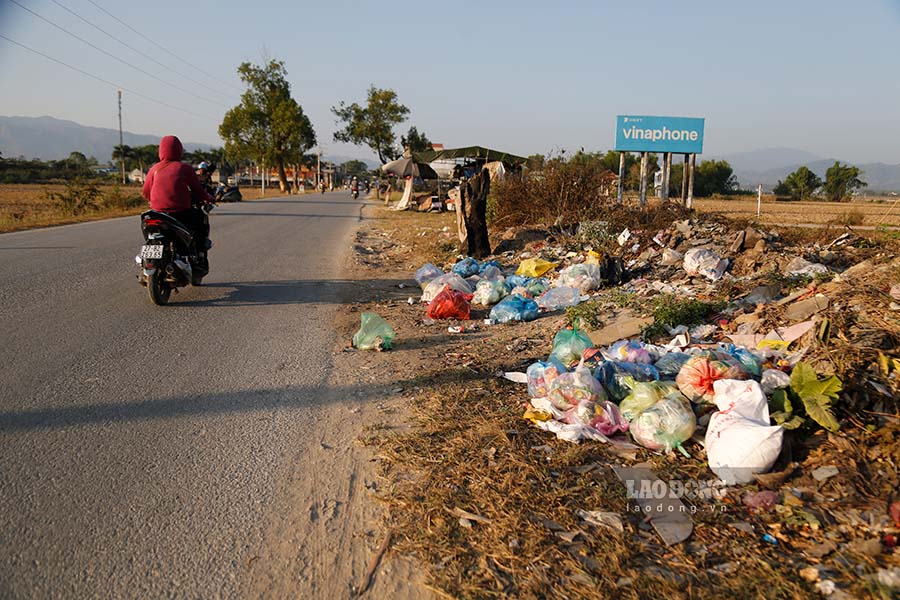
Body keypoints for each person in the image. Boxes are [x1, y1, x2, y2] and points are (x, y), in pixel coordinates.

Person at [142, 135, 215, 272]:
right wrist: (208, 198)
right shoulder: (184, 168)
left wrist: (155, 200)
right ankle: (199, 254)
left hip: (156, 213)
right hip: (180, 213)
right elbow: (198, 191)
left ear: (161, 150)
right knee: (199, 222)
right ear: (179, 150)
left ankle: (149, 264)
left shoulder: (154, 169)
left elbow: (145, 192)